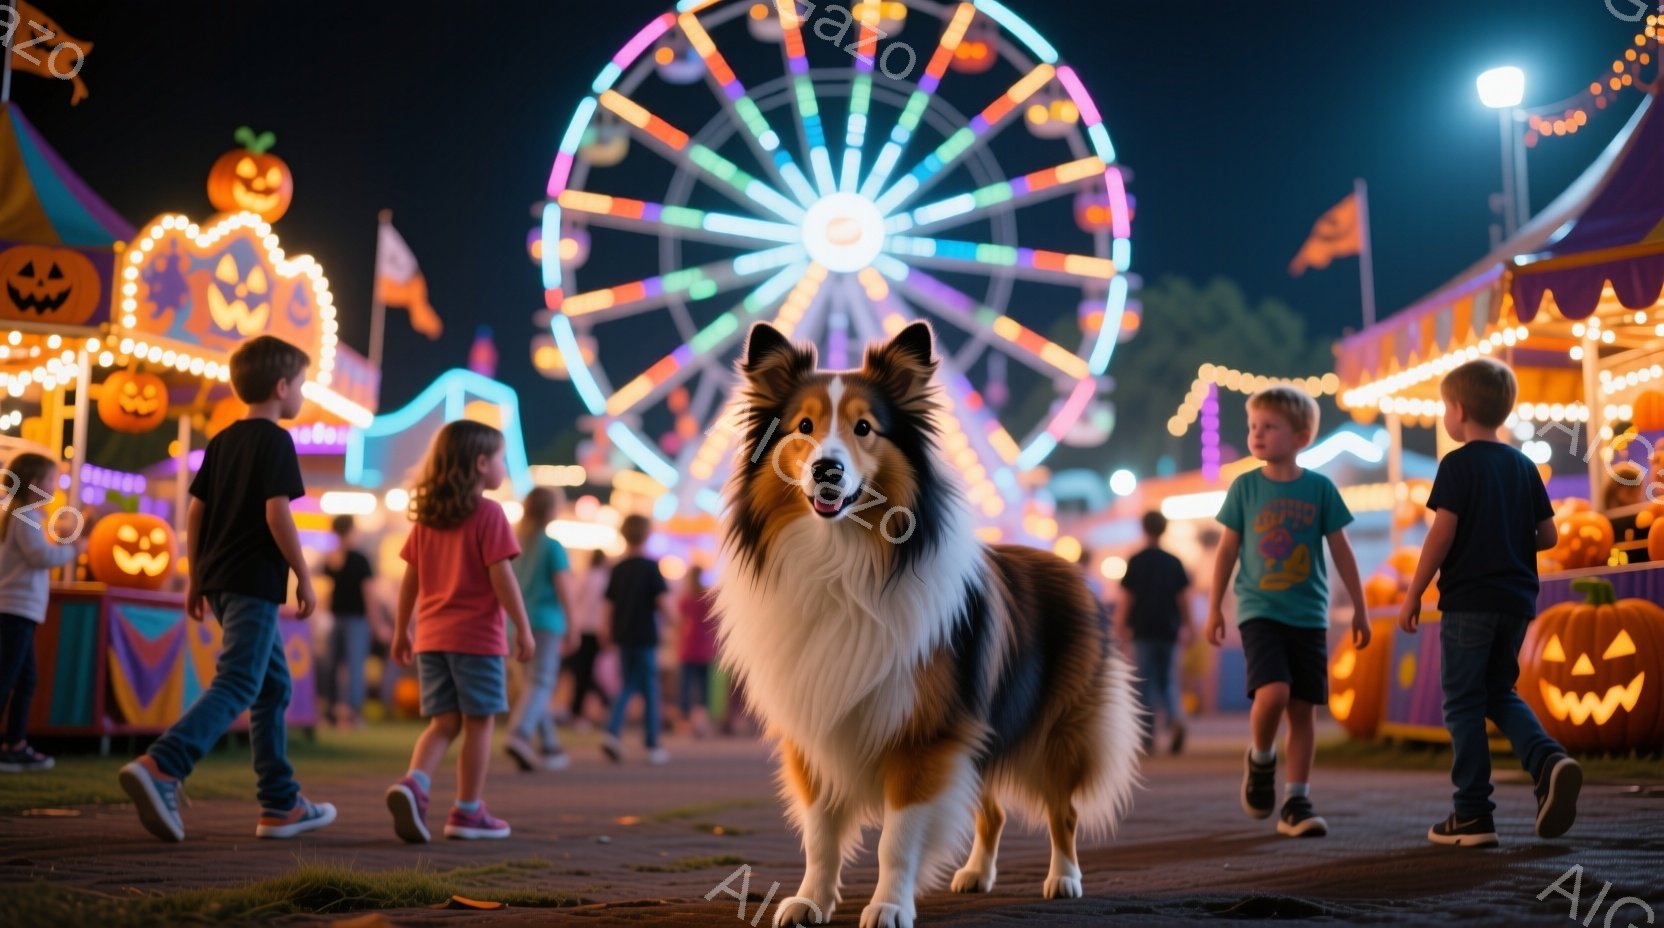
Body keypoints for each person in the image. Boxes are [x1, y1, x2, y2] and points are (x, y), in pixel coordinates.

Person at [119, 336, 335, 842]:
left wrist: (196, 576)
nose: (302, 394)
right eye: (301, 385)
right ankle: (164, 764)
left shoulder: (222, 441)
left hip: (218, 579)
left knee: (272, 686)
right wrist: (303, 573)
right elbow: (277, 513)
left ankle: (280, 803)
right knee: (239, 681)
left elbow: (195, 512)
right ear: (281, 387)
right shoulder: (276, 441)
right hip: (253, 581)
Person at [1398, 358, 1581, 848]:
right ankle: (1547, 760)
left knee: (1463, 701)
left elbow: (1441, 534)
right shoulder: (1523, 465)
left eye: (1445, 408)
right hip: (1516, 602)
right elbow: (1548, 535)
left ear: (1458, 410)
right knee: (1499, 691)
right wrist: (1507, 539)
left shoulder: (1456, 465)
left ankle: (1473, 813)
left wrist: (1414, 592)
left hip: (1468, 602)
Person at [1206, 385, 1370, 839]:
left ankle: (1297, 800)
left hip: (1309, 614)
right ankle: (1261, 758)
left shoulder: (1320, 489)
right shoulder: (1245, 487)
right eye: (1253, 426)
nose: (1256, 434)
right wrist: (1215, 606)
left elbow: (1342, 551)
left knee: (1303, 709)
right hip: (1259, 610)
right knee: (1274, 693)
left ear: (1301, 437)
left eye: (1269, 426)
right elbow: (1227, 551)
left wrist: (1360, 606)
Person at [384, 420, 534, 842]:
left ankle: (415, 783)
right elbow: (501, 576)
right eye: (501, 458)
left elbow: (410, 579)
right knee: (479, 723)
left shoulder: (427, 520)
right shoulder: (489, 514)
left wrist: (401, 629)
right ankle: (468, 811)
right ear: (481, 463)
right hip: (476, 640)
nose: (504, 466)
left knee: (443, 724)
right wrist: (522, 627)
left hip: (431, 639)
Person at [0, 452, 83, 772]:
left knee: (24, 679)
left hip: (21, 610)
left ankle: (15, 744)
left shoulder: (26, 516)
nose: (56, 485)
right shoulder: (25, 516)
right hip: (16, 609)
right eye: (52, 479)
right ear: (35, 483)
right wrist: (74, 549)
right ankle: (13, 745)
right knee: (8, 678)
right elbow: (41, 557)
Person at [505, 487, 577, 772]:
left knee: (532, 686)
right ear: (551, 511)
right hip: (547, 622)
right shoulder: (552, 546)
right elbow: (564, 587)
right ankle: (520, 734)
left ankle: (549, 745)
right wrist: (573, 624)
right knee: (542, 683)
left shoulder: (514, 543)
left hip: (516, 623)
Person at [601, 514, 673, 765]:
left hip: (623, 635)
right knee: (650, 689)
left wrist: (606, 631)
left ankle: (612, 732)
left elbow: (608, 605)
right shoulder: (651, 567)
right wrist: (674, 622)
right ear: (647, 535)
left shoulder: (618, 569)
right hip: (645, 636)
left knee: (628, 684)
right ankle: (652, 742)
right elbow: (663, 603)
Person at [1120, 511, 1193, 755]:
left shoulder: (1136, 561)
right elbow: (1183, 599)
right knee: (1168, 680)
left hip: (1143, 630)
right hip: (1169, 629)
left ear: (1144, 528)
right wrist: (1189, 626)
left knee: (1144, 681)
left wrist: (1120, 627)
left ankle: (1146, 735)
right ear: (1164, 529)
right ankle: (1175, 719)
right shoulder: (1173, 562)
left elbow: (1127, 599)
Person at [319, 515, 376, 729]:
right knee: (344, 666)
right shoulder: (341, 558)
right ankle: (342, 712)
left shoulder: (354, 559)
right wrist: (377, 622)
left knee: (342, 665)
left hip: (348, 619)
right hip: (346, 619)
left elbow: (366, 593)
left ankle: (345, 712)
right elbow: (368, 594)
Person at [565, 549, 611, 725]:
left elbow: (573, 599)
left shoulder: (584, 576)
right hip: (595, 630)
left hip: (580, 628)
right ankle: (582, 710)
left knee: (580, 672)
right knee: (587, 672)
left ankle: (576, 711)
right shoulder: (604, 579)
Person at [676, 565, 718, 737]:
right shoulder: (708, 598)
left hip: (688, 646)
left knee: (685, 687)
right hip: (705, 646)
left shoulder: (686, 599)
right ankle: (702, 722)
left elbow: (679, 622)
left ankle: (684, 722)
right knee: (704, 688)